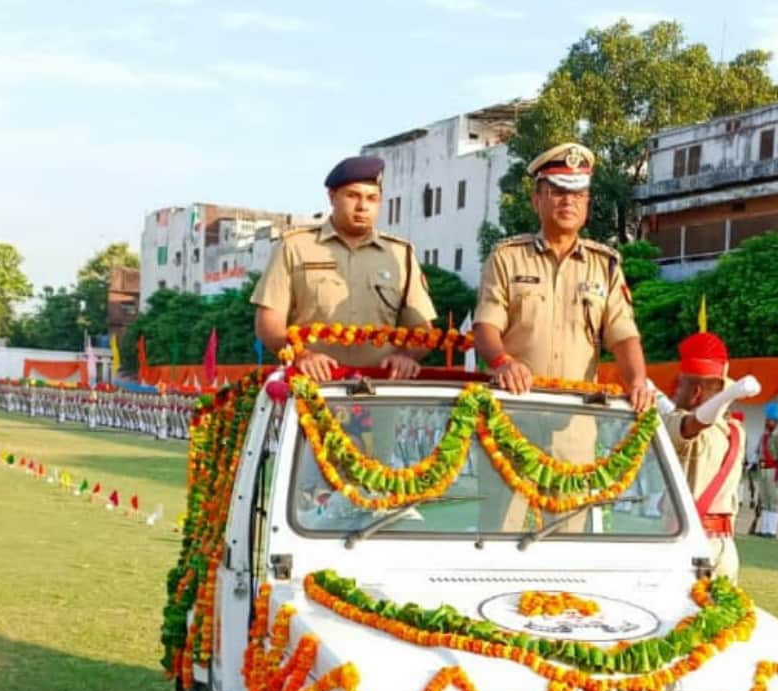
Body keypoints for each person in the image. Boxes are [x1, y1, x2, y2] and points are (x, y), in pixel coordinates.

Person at [474, 142, 650, 411]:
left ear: (587, 204)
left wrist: (638, 382)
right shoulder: (506, 258)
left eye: (578, 194)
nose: (568, 201)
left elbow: (624, 335)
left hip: (577, 418)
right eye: (558, 191)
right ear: (537, 200)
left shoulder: (606, 266)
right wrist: (502, 362)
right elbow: (486, 325)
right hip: (512, 412)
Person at [254, 155, 436, 381]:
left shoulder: (400, 254)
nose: (362, 207)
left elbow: (423, 329)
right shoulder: (295, 247)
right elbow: (268, 324)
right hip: (311, 386)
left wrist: (406, 355)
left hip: (382, 389)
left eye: (372, 198)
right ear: (332, 197)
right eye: (353, 196)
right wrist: (302, 355)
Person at [666, 330, 746, 580]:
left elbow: (692, 425)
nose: (675, 393)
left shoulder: (679, 424)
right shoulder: (734, 430)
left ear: (696, 393)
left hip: (690, 545)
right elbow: (699, 420)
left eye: (680, 385)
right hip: (722, 547)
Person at [750, 405, 778, 537]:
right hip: (763, 470)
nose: (767, 422)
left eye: (770, 420)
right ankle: (764, 528)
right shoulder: (763, 436)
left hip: (773, 471)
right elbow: (758, 452)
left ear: (776, 422)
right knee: (765, 499)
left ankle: (772, 530)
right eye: (767, 420)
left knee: (774, 500)